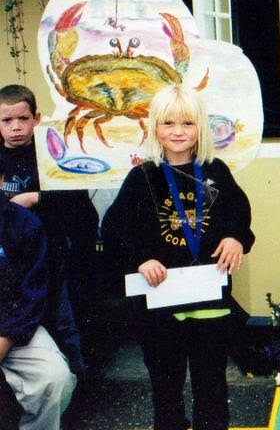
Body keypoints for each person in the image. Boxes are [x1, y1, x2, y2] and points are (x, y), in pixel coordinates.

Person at [102, 84, 255, 430]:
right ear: (155, 127)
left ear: (200, 127)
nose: (178, 132)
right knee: (166, 390)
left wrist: (235, 238)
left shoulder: (216, 172)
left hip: (209, 301)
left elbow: (239, 213)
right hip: (160, 305)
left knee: (212, 387)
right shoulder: (143, 177)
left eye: (187, 124)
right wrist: (141, 259)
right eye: (168, 123)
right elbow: (114, 230)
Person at [0, 84, 98, 378]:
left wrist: (38, 199)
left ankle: (76, 383)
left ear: (37, 118)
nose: (16, 127)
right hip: (11, 261)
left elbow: (80, 205)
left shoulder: (54, 151)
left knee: (66, 323)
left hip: (55, 255)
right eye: (7, 121)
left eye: (23, 119)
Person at [0, 159, 77, 429]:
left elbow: (30, 294)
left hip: (11, 329)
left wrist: (5, 338)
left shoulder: (24, 224)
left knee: (54, 378)